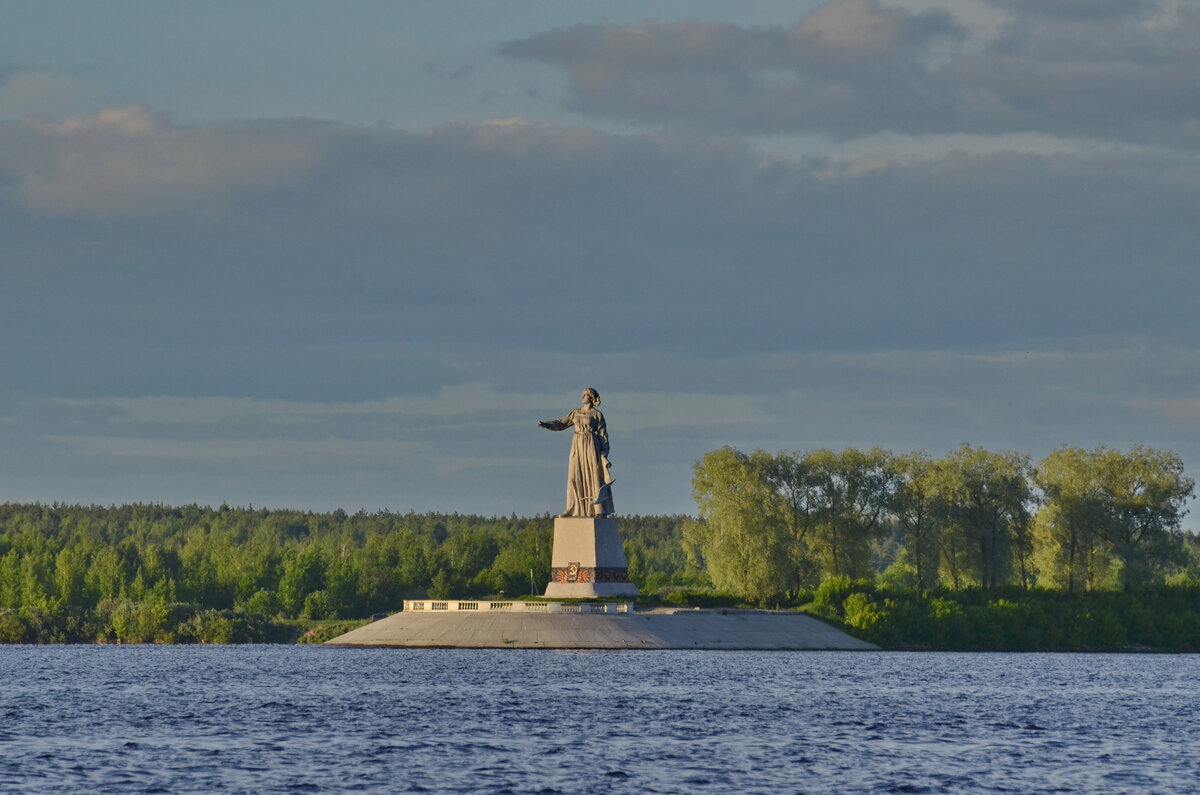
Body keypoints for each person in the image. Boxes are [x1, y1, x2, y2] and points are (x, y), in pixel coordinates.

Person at [538, 388, 614, 517]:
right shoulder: (575, 413)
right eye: (582, 395)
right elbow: (561, 423)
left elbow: (603, 435)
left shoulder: (597, 415)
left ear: (591, 397)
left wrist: (604, 453)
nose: (583, 397)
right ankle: (573, 508)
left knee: (593, 475)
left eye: (585, 395)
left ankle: (597, 510)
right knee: (575, 475)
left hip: (591, 445)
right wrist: (547, 424)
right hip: (577, 445)